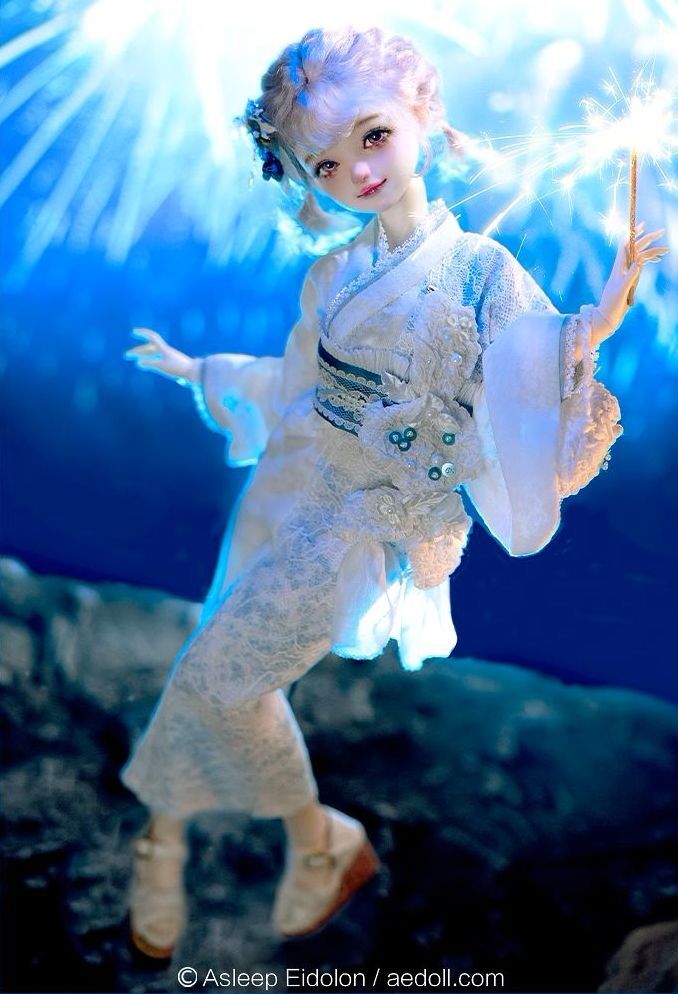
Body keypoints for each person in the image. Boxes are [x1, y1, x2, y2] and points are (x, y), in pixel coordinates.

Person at [120, 25, 667, 959]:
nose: (359, 172)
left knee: (218, 676)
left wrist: (595, 322)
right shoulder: (331, 274)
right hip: (301, 488)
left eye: (373, 137)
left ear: (422, 116)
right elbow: (297, 388)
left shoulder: (482, 271)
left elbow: (529, 369)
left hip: (374, 523)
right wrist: (202, 369)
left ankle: (302, 838)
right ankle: (214, 840)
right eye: (327, 164)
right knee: (209, 661)